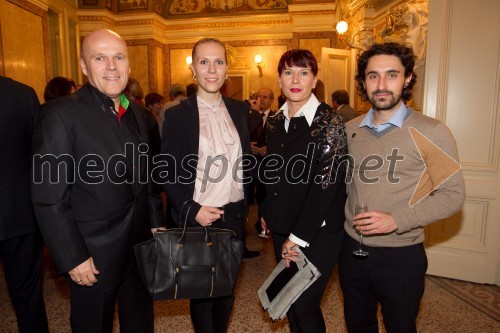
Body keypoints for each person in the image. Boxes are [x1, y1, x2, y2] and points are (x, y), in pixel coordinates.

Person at [31, 29, 164, 333]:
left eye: (118, 57)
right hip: (92, 255)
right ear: (83, 65)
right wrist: (72, 256)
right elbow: (49, 197)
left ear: (129, 65)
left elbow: (148, 179)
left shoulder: (140, 115)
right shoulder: (60, 114)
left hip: (139, 250)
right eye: (100, 58)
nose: (112, 66)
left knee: (141, 324)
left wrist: (155, 224)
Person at [338, 42, 465, 333]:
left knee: (401, 326)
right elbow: (341, 188)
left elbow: (453, 195)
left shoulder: (432, 131)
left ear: (407, 78)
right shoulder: (350, 130)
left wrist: (396, 220)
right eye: (373, 76)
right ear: (363, 81)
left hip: (401, 254)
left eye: (391, 75)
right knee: (357, 325)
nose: (381, 85)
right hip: (351, 250)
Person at [160, 37, 250, 333]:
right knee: (201, 294)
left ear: (227, 70)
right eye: (204, 62)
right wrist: (191, 209)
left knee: (226, 291)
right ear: (193, 69)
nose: (212, 69)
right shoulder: (177, 114)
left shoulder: (240, 110)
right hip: (198, 217)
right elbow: (168, 172)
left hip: (234, 216)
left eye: (219, 62)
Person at [260, 49, 347, 333]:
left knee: (305, 304)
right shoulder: (274, 121)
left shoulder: (329, 121)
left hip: (318, 232)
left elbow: (327, 184)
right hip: (283, 225)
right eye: (288, 72)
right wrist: (266, 211)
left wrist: (298, 238)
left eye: (304, 72)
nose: (295, 79)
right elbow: (272, 170)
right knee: (289, 300)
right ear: (279, 79)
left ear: (315, 80)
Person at [0, 76, 49, 333]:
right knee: (28, 298)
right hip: (20, 212)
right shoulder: (22, 93)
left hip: (21, 213)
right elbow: (40, 154)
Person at [249, 87, 274, 236]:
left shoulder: (277, 117)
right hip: (250, 162)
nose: (261, 100)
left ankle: (263, 224)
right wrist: (249, 147)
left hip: (267, 163)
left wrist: (267, 149)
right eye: (259, 97)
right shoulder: (250, 116)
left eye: (265, 97)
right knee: (251, 196)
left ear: (271, 100)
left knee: (264, 195)